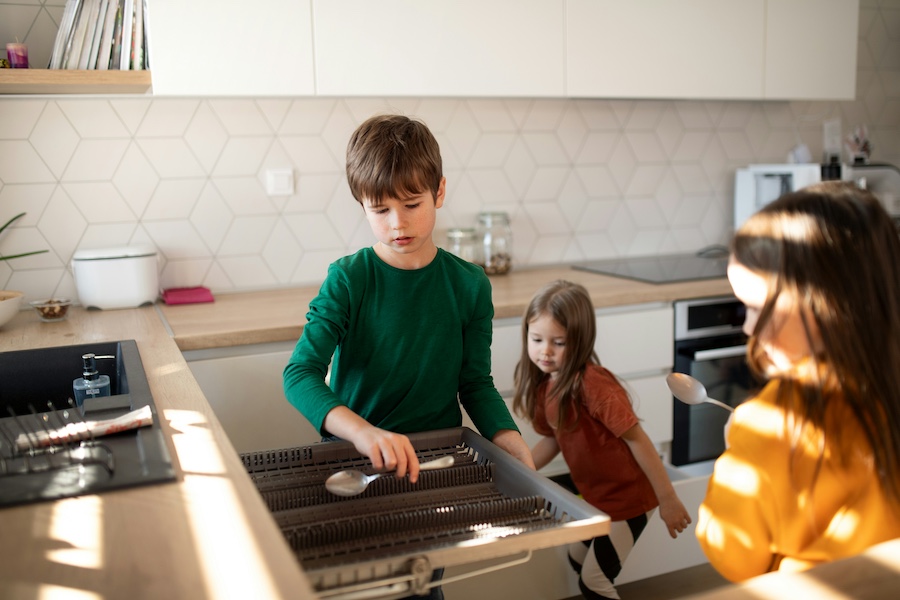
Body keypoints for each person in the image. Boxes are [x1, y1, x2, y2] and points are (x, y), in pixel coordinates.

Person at [283, 113, 535, 598]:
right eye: (380, 210)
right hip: (356, 466)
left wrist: (507, 436)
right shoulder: (349, 279)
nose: (397, 223)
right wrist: (364, 432)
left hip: (435, 469)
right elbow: (300, 374)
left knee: (420, 586)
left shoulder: (468, 285)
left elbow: (475, 383)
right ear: (361, 205)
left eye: (412, 204)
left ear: (439, 192)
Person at [696, 180, 900, 582]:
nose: (750, 328)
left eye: (756, 307)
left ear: (823, 305)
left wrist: (734, 451)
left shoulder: (771, 423)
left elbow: (733, 554)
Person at [512, 280, 691, 600]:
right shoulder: (546, 388)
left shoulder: (592, 384)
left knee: (593, 582)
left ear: (580, 342)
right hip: (597, 499)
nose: (545, 351)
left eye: (559, 343)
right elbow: (553, 440)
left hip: (629, 501)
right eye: (537, 339)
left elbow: (639, 440)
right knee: (576, 559)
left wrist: (669, 499)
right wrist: (519, 470)